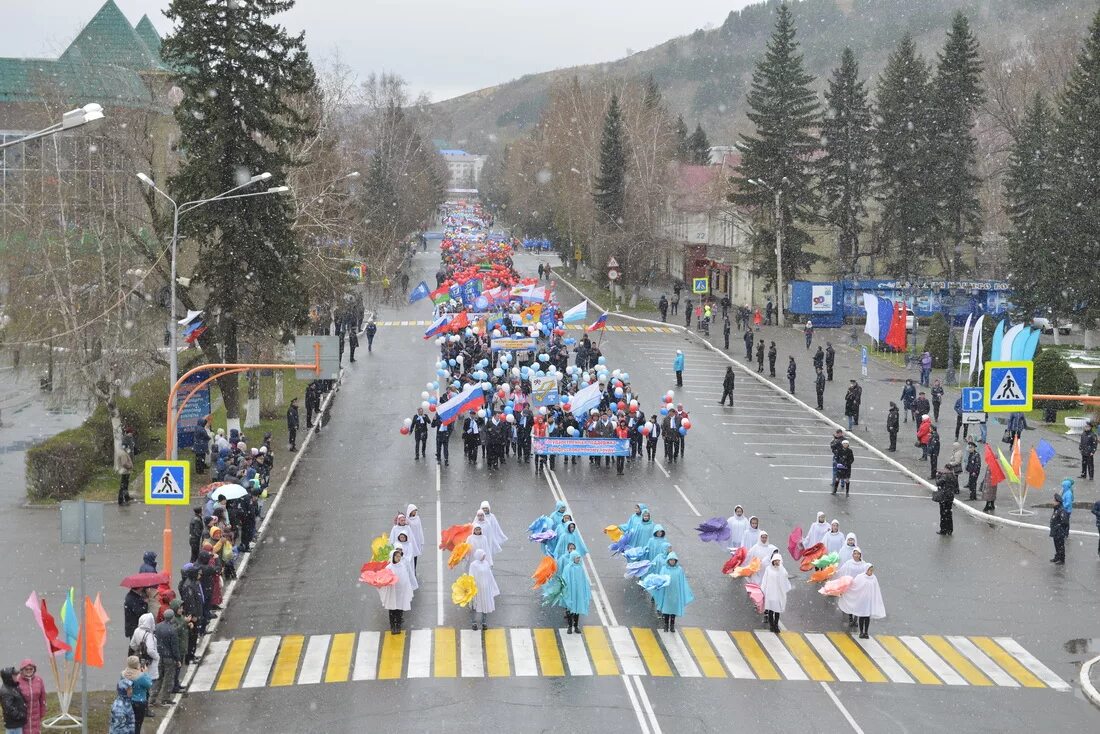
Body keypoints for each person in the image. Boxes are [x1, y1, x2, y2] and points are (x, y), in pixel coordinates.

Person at [839, 565, 885, 639]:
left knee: (867, 617)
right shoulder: (860, 577)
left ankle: (866, 632)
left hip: (869, 601)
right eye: (870, 570)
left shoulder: (874, 578)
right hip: (862, 600)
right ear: (866, 570)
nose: (871, 572)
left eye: (872, 570)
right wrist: (845, 590)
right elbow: (854, 586)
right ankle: (861, 632)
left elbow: (876, 589)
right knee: (862, 616)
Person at [379, 548, 417, 634]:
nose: (398, 558)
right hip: (392, 591)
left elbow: (405, 578)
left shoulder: (402, 566)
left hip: (400, 592)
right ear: (393, 557)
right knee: (392, 609)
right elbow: (385, 578)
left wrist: (406, 588)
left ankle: (398, 625)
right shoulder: (389, 567)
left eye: (399, 556)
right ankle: (393, 626)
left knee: (399, 609)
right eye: (397, 556)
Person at [656, 552, 694, 633]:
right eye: (671, 560)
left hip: (675, 593)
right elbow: (660, 579)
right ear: (668, 560)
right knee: (666, 610)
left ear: (675, 561)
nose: (672, 562)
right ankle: (666, 625)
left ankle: (672, 625)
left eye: (673, 560)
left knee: (673, 611)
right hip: (667, 592)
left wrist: (684, 591)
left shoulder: (679, 570)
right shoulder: (664, 569)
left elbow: (682, 581)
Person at [151, 610, 179, 706]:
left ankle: (152, 698)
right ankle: (165, 698)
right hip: (169, 657)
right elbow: (174, 647)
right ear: (172, 617)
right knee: (168, 678)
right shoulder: (172, 630)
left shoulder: (157, 627)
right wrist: (177, 659)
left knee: (158, 677)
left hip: (158, 656)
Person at [561, 550, 591, 634]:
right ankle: (570, 626)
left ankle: (576, 626)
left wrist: (584, 589)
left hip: (578, 592)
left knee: (577, 609)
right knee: (570, 609)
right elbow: (564, 579)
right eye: (577, 558)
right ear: (573, 558)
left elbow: (583, 580)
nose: (578, 559)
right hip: (570, 592)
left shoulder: (580, 568)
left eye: (579, 558)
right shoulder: (568, 568)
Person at [468, 549, 500, 630]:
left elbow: (490, 575)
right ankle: (474, 623)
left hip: (485, 589)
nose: (484, 557)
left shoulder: (486, 563)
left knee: (485, 605)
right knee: (475, 606)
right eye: (483, 555)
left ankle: (484, 622)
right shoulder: (473, 565)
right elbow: (471, 576)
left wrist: (493, 586)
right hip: (477, 589)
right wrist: (471, 587)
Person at [760, 552, 791, 634]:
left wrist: (781, 570)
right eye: (775, 560)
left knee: (777, 611)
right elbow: (765, 580)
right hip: (770, 593)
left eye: (778, 560)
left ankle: (776, 625)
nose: (777, 562)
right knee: (770, 610)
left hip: (778, 594)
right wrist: (763, 590)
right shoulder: (768, 569)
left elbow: (785, 578)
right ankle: (771, 625)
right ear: (773, 561)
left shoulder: (782, 570)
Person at [121, 656, 152, 734]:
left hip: (127, 702)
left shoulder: (123, 674)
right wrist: (145, 673)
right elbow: (149, 684)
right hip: (139, 702)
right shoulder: (141, 676)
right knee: (137, 724)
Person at [1, 667, 27, 734]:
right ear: (9, 677)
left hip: (16, 724)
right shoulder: (6, 692)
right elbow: (9, 708)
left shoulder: (12, 686)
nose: (16, 676)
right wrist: (20, 715)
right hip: (14, 725)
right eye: (14, 675)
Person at [1049, 491, 1070, 564]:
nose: (1053, 502)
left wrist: (1058, 527)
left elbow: (1065, 522)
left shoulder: (1061, 510)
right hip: (1056, 531)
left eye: (1054, 501)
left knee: (1060, 546)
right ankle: (1057, 557)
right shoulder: (1056, 509)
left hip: (1059, 532)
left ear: (1058, 502)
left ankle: (1062, 559)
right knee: (1056, 545)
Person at [935, 471, 955, 536]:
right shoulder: (953, 476)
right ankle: (950, 530)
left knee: (943, 514)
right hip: (950, 497)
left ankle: (943, 530)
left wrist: (937, 476)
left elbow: (938, 483)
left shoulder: (944, 476)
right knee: (949, 514)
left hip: (944, 497)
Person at [116, 440, 134, 506]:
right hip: (125, 472)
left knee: (125, 486)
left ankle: (126, 498)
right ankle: (121, 500)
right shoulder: (123, 453)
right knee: (123, 487)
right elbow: (124, 463)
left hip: (124, 471)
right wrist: (130, 466)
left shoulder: (122, 452)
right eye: (127, 446)